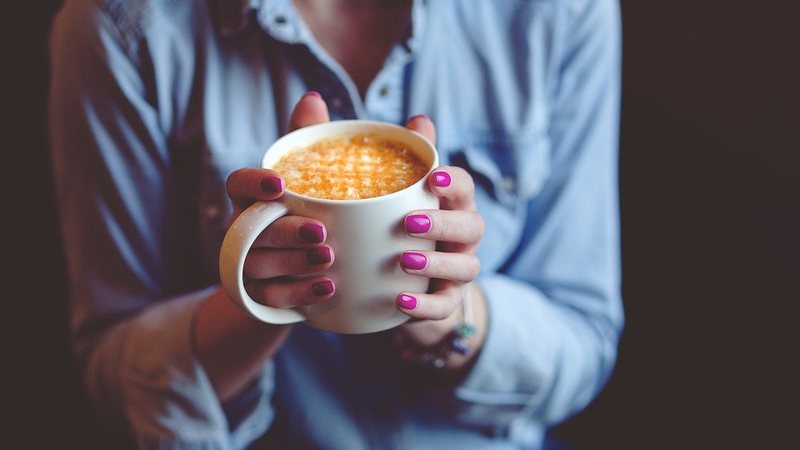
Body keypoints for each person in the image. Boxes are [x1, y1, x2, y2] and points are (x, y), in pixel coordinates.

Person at [49, 0, 623, 448]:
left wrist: (452, 317)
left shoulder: (556, 14)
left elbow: (585, 337)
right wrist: (260, 303)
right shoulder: (124, 27)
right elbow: (109, 378)